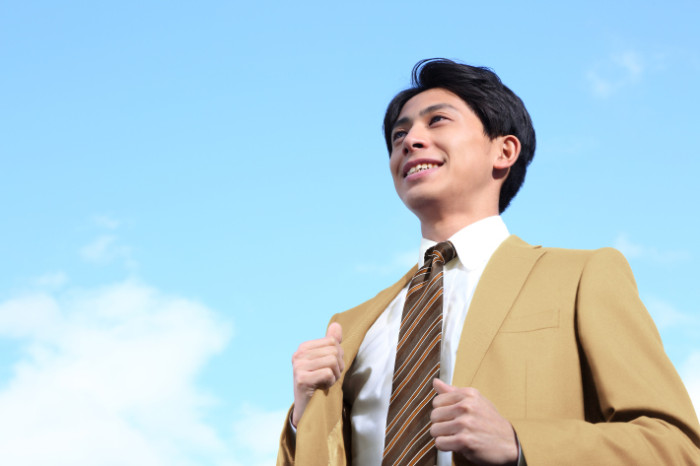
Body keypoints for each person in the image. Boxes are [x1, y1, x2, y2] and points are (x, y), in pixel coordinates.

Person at [277, 58, 700, 465]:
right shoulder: (349, 329)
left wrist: (519, 444)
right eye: (398, 134)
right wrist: (303, 420)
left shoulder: (581, 277)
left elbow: (677, 449)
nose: (409, 140)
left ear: (504, 151)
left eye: (437, 121)